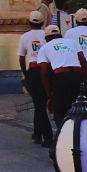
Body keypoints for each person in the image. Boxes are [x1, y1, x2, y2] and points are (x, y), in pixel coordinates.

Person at [16, 11, 52, 144]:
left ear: (29, 22)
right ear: (43, 23)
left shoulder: (25, 37)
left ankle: (47, 136)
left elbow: (21, 57)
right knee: (40, 103)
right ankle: (37, 133)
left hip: (34, 70)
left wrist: (25, 72)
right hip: (48, 69)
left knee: (39, 103)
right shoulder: (47, 35)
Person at [44, 25, 86, 132]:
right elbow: (83, 61)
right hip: (77, 76)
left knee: (59, 110)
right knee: (78, 109)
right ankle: (78, 134)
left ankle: (64, 136)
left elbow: (44, 71)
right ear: (60, 35)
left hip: (60, 77)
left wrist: (49, 95)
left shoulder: (45, 47)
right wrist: (86, 83)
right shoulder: (72, 42)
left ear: (47, 38)